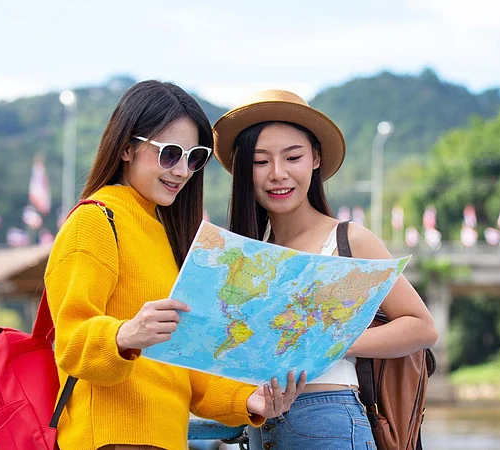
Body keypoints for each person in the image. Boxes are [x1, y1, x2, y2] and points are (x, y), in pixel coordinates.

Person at [45, 81, 306, 450]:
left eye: (194, 157)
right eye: (169, 154)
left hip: (164, 440)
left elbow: (187, 372)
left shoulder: (165, 236)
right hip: (110, 438)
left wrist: (249, 401)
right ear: (125, 148)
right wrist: (125, 334)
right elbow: (71, 345)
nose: (182, 171)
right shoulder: (97, 221)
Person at [212, 89, 439, 450]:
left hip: (329, 417)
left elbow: (422, 327)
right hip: (261, 426)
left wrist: (328, 341)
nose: (277, 174)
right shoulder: (245, 260)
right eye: (260, 161)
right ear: (244, 170)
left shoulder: (348, 240)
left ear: (315, 158)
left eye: (293, 157)